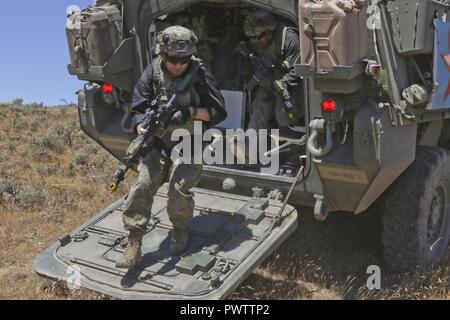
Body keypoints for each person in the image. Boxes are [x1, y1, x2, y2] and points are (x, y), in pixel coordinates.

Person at [116, 26, 227, 269]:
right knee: (143, 184)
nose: (178, 65)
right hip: (158, 141)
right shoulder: (153, 72)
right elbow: (137, 108)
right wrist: (140, 127)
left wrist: (188, 113)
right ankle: (134, 242)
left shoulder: (199, 74)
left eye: (184, 60)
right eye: (173, 60)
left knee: (178, 189)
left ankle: (179, 229)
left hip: (190, 141)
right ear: (163, 55)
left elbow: (218, 112)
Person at [242, 9, 303, 130]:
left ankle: (289, 144)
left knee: (282, 111)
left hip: (289, 87)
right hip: (268, 82)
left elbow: (299, 69)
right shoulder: (254, 44)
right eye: (251, 37)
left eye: (257, 36)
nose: (253, 41)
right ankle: (250, 144)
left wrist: (283, 83)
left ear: (269, 32)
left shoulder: (289, 39)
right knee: (259, 107)